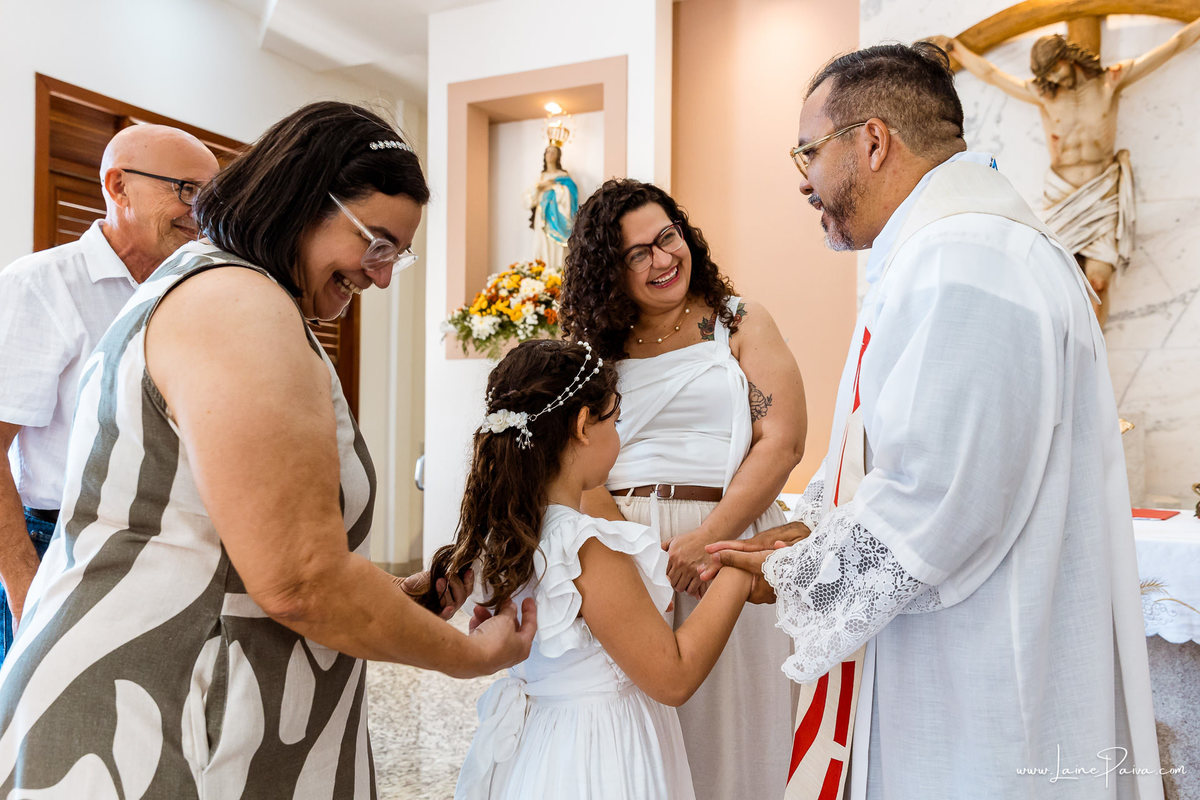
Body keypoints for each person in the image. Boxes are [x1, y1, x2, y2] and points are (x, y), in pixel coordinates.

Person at [0, 102, 536, 797]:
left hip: (211, 698)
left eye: (394, 257)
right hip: (163, 717)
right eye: (376, 244)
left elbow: (239, 550)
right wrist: (467, 657)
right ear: (305, 200)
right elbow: (298, 583)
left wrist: (394, 599)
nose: (379, 275)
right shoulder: (236, 305)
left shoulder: (233, 291)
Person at [708, 42, 1161, 799]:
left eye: (808, 152)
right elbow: (897, 446)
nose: (803, 180)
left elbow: (938, 495)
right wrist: (813, 522)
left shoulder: (968, 258)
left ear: (874, 141)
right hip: (967, 654)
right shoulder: (949, 250)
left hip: (976, 685)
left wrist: (797, 576)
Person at [558, 179, 807, 800]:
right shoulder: (592, 351)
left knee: (732, 726)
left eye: (666, 237)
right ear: (608, 272)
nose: (662, 260)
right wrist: (625, 549)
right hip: (620, 548)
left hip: (727, 544)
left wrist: (706, 538)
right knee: (642, 726)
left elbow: (782, 440)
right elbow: (572, 463)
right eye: (636, 253)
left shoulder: (739, 322)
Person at [425, 339, 753, 799]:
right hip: (602, 754)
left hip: (542, 744)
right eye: (615, 422)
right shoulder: (586, 547)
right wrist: (742, 569)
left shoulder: (502, 536)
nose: (618, 437)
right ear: (583, 425)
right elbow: (673, 676)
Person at [0, 124, 219, 664]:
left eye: (212, 198)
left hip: (166, 545)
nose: (202, 212)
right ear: (118, 186)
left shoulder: (199, 289)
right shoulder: (40, 285)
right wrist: (25, 582)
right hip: (59, 544)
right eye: (186, 191)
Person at [930, 18, 1200, 324]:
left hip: (1101, 191)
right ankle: (1069, 356)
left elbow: (1173, 45)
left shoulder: (1110, 82)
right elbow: (993, 75)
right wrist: (959, 51)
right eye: (1047, 76)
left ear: (1067, 58)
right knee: (1062, 283)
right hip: (1062, 195)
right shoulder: (1044, 93)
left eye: (1055, 70)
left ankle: (1096, 360)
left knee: (1098, 282)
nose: (1053, 80)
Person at [526, 143, 578, 270]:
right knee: (542, 244)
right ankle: (543, 273)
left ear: (558, 156)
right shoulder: (540, 177)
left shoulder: (563, 176)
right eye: (548, 152)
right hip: (542, 216)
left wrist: (554, 187)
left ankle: (557, 273)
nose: (550, 154)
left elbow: (571, 195)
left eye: (553, 152)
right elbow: (528, 200)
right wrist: (539, 187)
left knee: (557, 249)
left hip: (557, 218)